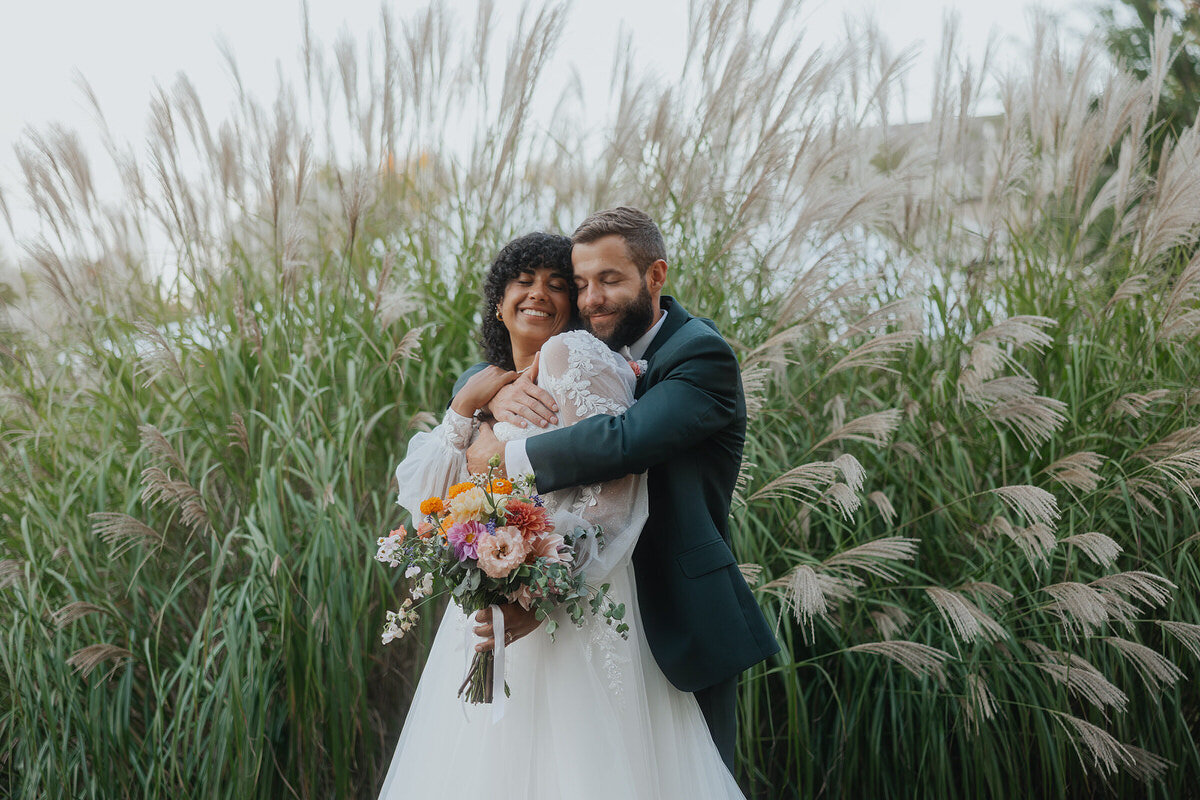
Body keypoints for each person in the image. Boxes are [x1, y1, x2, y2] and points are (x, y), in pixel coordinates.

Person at [378, 230, 746, 799]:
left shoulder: (600, 357)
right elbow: (431, 489)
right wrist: (472, 405)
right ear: (498, 302)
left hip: (591, 602)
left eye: (559, 286)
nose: (541, 295)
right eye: (524, 283)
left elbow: (620, 461)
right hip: (496, 610)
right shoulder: (483, 384)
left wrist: (543, 586)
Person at [464, 207, 780, 771]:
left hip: (671, 609)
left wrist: (505, 456)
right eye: (581, 284)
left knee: (679, 776)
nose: (590, 299)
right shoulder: (591, 334)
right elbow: (511, 353)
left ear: (655, 276)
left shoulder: (699, 355)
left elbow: (625, 439)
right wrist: (487, 398)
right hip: (583, 603)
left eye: (609, 280)